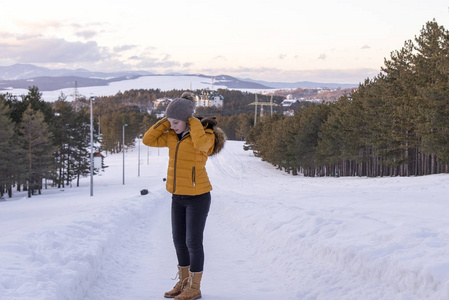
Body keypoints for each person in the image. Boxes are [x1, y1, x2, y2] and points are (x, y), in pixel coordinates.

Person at [142, 92, 225, 300]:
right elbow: (147, 140)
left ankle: (194, 288)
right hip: (177, 196)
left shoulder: (207, 135)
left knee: (193, 242)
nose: (172, 126)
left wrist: (192, 122)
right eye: (170, 122)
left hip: (198, 196)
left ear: (188, 120)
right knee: (178, 240)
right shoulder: (171, 135)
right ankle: (184, 282)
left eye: (176, 122)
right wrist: (166, 120)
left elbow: (202, 146)